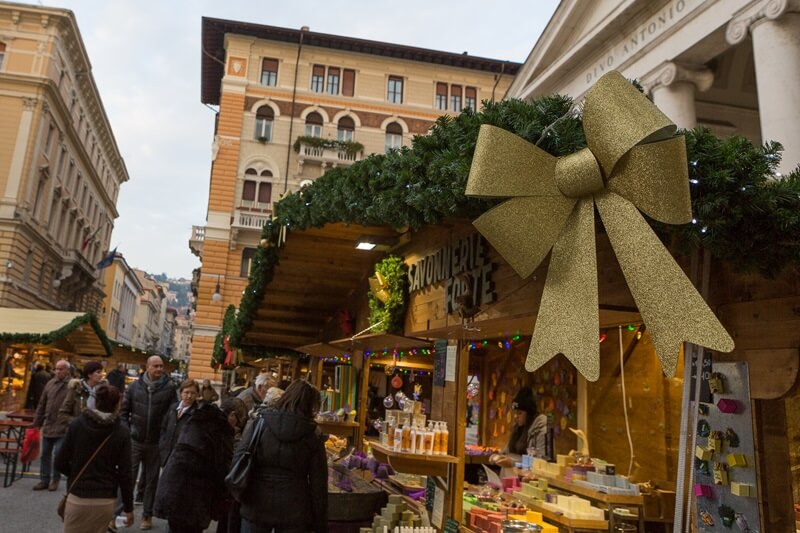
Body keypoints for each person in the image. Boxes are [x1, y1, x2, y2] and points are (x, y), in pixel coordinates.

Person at [234, 379, 328, 533]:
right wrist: (319, 522)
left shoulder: (261, 422)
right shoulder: (313, 434)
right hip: (295, 508)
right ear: (311, 404)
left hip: (257, 501)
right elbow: (319, 483)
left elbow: (240, 456)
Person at [55, 385, 134, 533]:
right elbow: (126, 474)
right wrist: (128, 508)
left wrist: (75, 474)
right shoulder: (121, 432)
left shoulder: (77, 424)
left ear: (96, 402)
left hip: (78, 495)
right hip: (105, 498)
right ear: (118, 404)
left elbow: (59, 461)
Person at [154, 401, 233, 533]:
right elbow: (221, 468)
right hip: (197, 498)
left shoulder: (193, 423)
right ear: (232, 415)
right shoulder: (219, 431)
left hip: (174, 490)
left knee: (175, 527)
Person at [119, 355, 177, 530]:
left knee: (152, 481)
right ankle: (118, 513)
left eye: (162, 366)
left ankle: (147, 515)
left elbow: (172, 414)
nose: (160, 369)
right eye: (156, 366)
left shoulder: (169, 388)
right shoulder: (134, 387)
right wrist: (128, 431)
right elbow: (123, 413)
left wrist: (165, 436)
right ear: (148, 367)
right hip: (135, 441)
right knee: (127, 477)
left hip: (156, 443)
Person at [31, 359, 72, 491]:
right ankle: (44, 479)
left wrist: (71, 421)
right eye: (56, 369)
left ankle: (55, 479)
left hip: (63, 425)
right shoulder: (50, 383)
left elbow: (77, 407)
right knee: (45, 454)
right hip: (49, 423)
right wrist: (37, 422)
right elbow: (42, 404)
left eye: (61, 369)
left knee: (58, 454)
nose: (58, 371)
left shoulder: (72, 385)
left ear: (67, 370)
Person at [489, 387, 548, 472]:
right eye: (515, 413)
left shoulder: (542, 430)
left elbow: (542, 463)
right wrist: (497, 456)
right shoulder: (517, 428)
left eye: (520, 413)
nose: (516, 416)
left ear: (529, 414)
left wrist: (514, 463)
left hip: (531, 480)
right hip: (513, 479)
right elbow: (506, 451)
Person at [159, 378, 199, 467]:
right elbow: (163, 427)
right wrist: (162, 444)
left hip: (182, 459)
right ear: (181, 393)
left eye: (193, 393)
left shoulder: (197, 414)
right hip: (166, 455)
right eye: (187, 392)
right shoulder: (173, 408)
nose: (189, 396)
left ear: (197, 395)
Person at [59, 361, 106, 425]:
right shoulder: (76, 389)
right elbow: (62, 415)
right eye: (98, 372)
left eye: (101, 372)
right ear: (89, 375)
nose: (101, 375)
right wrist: (80, 422)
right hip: (80, 431)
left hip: (98, 430)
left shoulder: (103, 390)